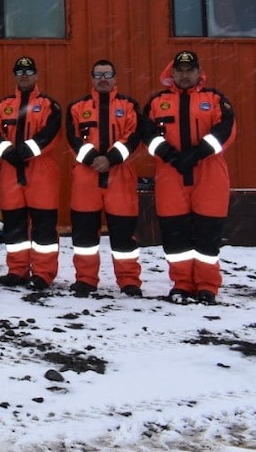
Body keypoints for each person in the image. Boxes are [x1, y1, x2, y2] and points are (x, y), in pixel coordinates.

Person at [142, 51, 236, 305]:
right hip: (170, 174)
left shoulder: (215, 99)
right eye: (180, 70)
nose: (185, 75)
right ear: (172, 74)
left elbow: (224, 131)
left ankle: (207, 285)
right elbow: (148, 134)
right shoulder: (156, 102)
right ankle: (182, 283)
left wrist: (195, 155)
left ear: (198, 72)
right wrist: (172, 157)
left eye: (190, 70)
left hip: (209, 173)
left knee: (208, 233)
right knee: (175, 233)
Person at [66, 60, 144, 298]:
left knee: (124, 235)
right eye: (98, 74)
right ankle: (85, 280)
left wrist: (110, 158)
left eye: (107, 74)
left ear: (115, 77)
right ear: (91, 78)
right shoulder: (77, 107)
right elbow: (73, 138)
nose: (103, 78)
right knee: (84, 236)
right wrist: (93, 160)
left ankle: (129, 281)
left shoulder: (129, 106)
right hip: (85, 179)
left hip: (120, 178)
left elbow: (134, 137)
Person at [0, 56, 63, 290]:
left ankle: (43, 273)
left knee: (43, 226)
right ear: (15, 76)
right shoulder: (3, 105)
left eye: (29, 71)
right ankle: (17, 270)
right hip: (11, 172)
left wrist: (22, 151)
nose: (24, 75)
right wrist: (8, 153)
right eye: (20, 72)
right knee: (14, 226)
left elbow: (49, 135)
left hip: (41, 173)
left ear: (36, 75)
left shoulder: (50, 105)